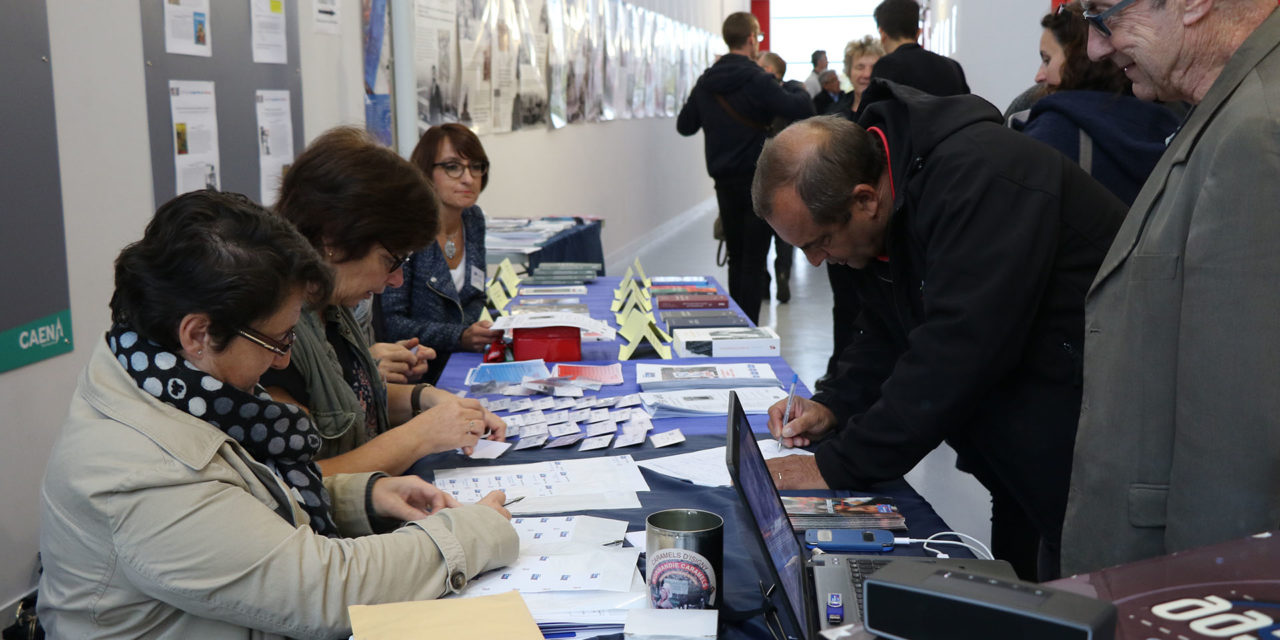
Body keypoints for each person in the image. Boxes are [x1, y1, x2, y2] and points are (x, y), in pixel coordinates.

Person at [37, 190, 517, 639]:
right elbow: (325, 589)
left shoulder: (165, 384)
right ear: (198, 335)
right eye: (277, 340)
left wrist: (361, 497)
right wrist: (472, 533)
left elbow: (239, 503)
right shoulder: (139, 474)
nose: (284, 361)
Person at [754, 86, 1127, 581]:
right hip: (1019, 443)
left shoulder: (981, 178)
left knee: (1080, 592)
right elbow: (885, 327)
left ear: (864, 200)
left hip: (1091, 437)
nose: (817, 261)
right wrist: (835, 404)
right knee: (1020, 589)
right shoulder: (881, 199)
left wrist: (835, 467)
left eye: (820, 242)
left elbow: (955, 352)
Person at [1062, 0, 1280, 575]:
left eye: (1104, 13)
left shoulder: (1258, 130)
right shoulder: (1231, 110)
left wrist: (1205, 601)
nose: (1095, 48)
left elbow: (1239, 447)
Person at [265, 127, 505, 477]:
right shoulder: (274, 334)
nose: (394, 281)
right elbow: (303, 480)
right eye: (390, 260)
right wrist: (420, 436)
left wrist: (428, 398)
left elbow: (357, 400)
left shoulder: (331, 306)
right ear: (335, 239)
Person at [677, 11, 813, 324]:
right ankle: (747, 329)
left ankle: (736, 324)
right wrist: (790, 86)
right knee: (753, 259)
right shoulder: (757, 79)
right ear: (752, 39)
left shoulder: (707, 81)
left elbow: (685, 125)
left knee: (736, 258)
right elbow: (800, 108)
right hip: (756, 180)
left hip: (722, 181)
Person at [1013, 2, 1179, 206]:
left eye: (1047, 60)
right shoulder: (1172, 122)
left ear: (1077, 60)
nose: (1039, 76)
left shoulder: (1053, 130)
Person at [380, 124, 504, 379]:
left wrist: (482, 330)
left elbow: (475, 296)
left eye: (476, 166)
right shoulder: (407, 230)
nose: (468, 178)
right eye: (453, 167)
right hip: (419, 371)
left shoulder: (473, 219)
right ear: (426, 171)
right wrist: (459, 336)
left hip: (467, 359)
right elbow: (392, 324)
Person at [819, 35, 885, 384]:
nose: (865, 72)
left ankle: (867, 374)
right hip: (838, 223)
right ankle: (839, 370)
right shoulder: (835, 118)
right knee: (844, 302)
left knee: (874, 303)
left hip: (873, 226)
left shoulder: (888, 116)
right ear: (849, 70)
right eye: (860, 66)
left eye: (872, 66)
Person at [871, 0, 969, 96]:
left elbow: (872, 109)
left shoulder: (886, 66)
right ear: (918, 33)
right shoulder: (953, 66)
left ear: (882, 34)